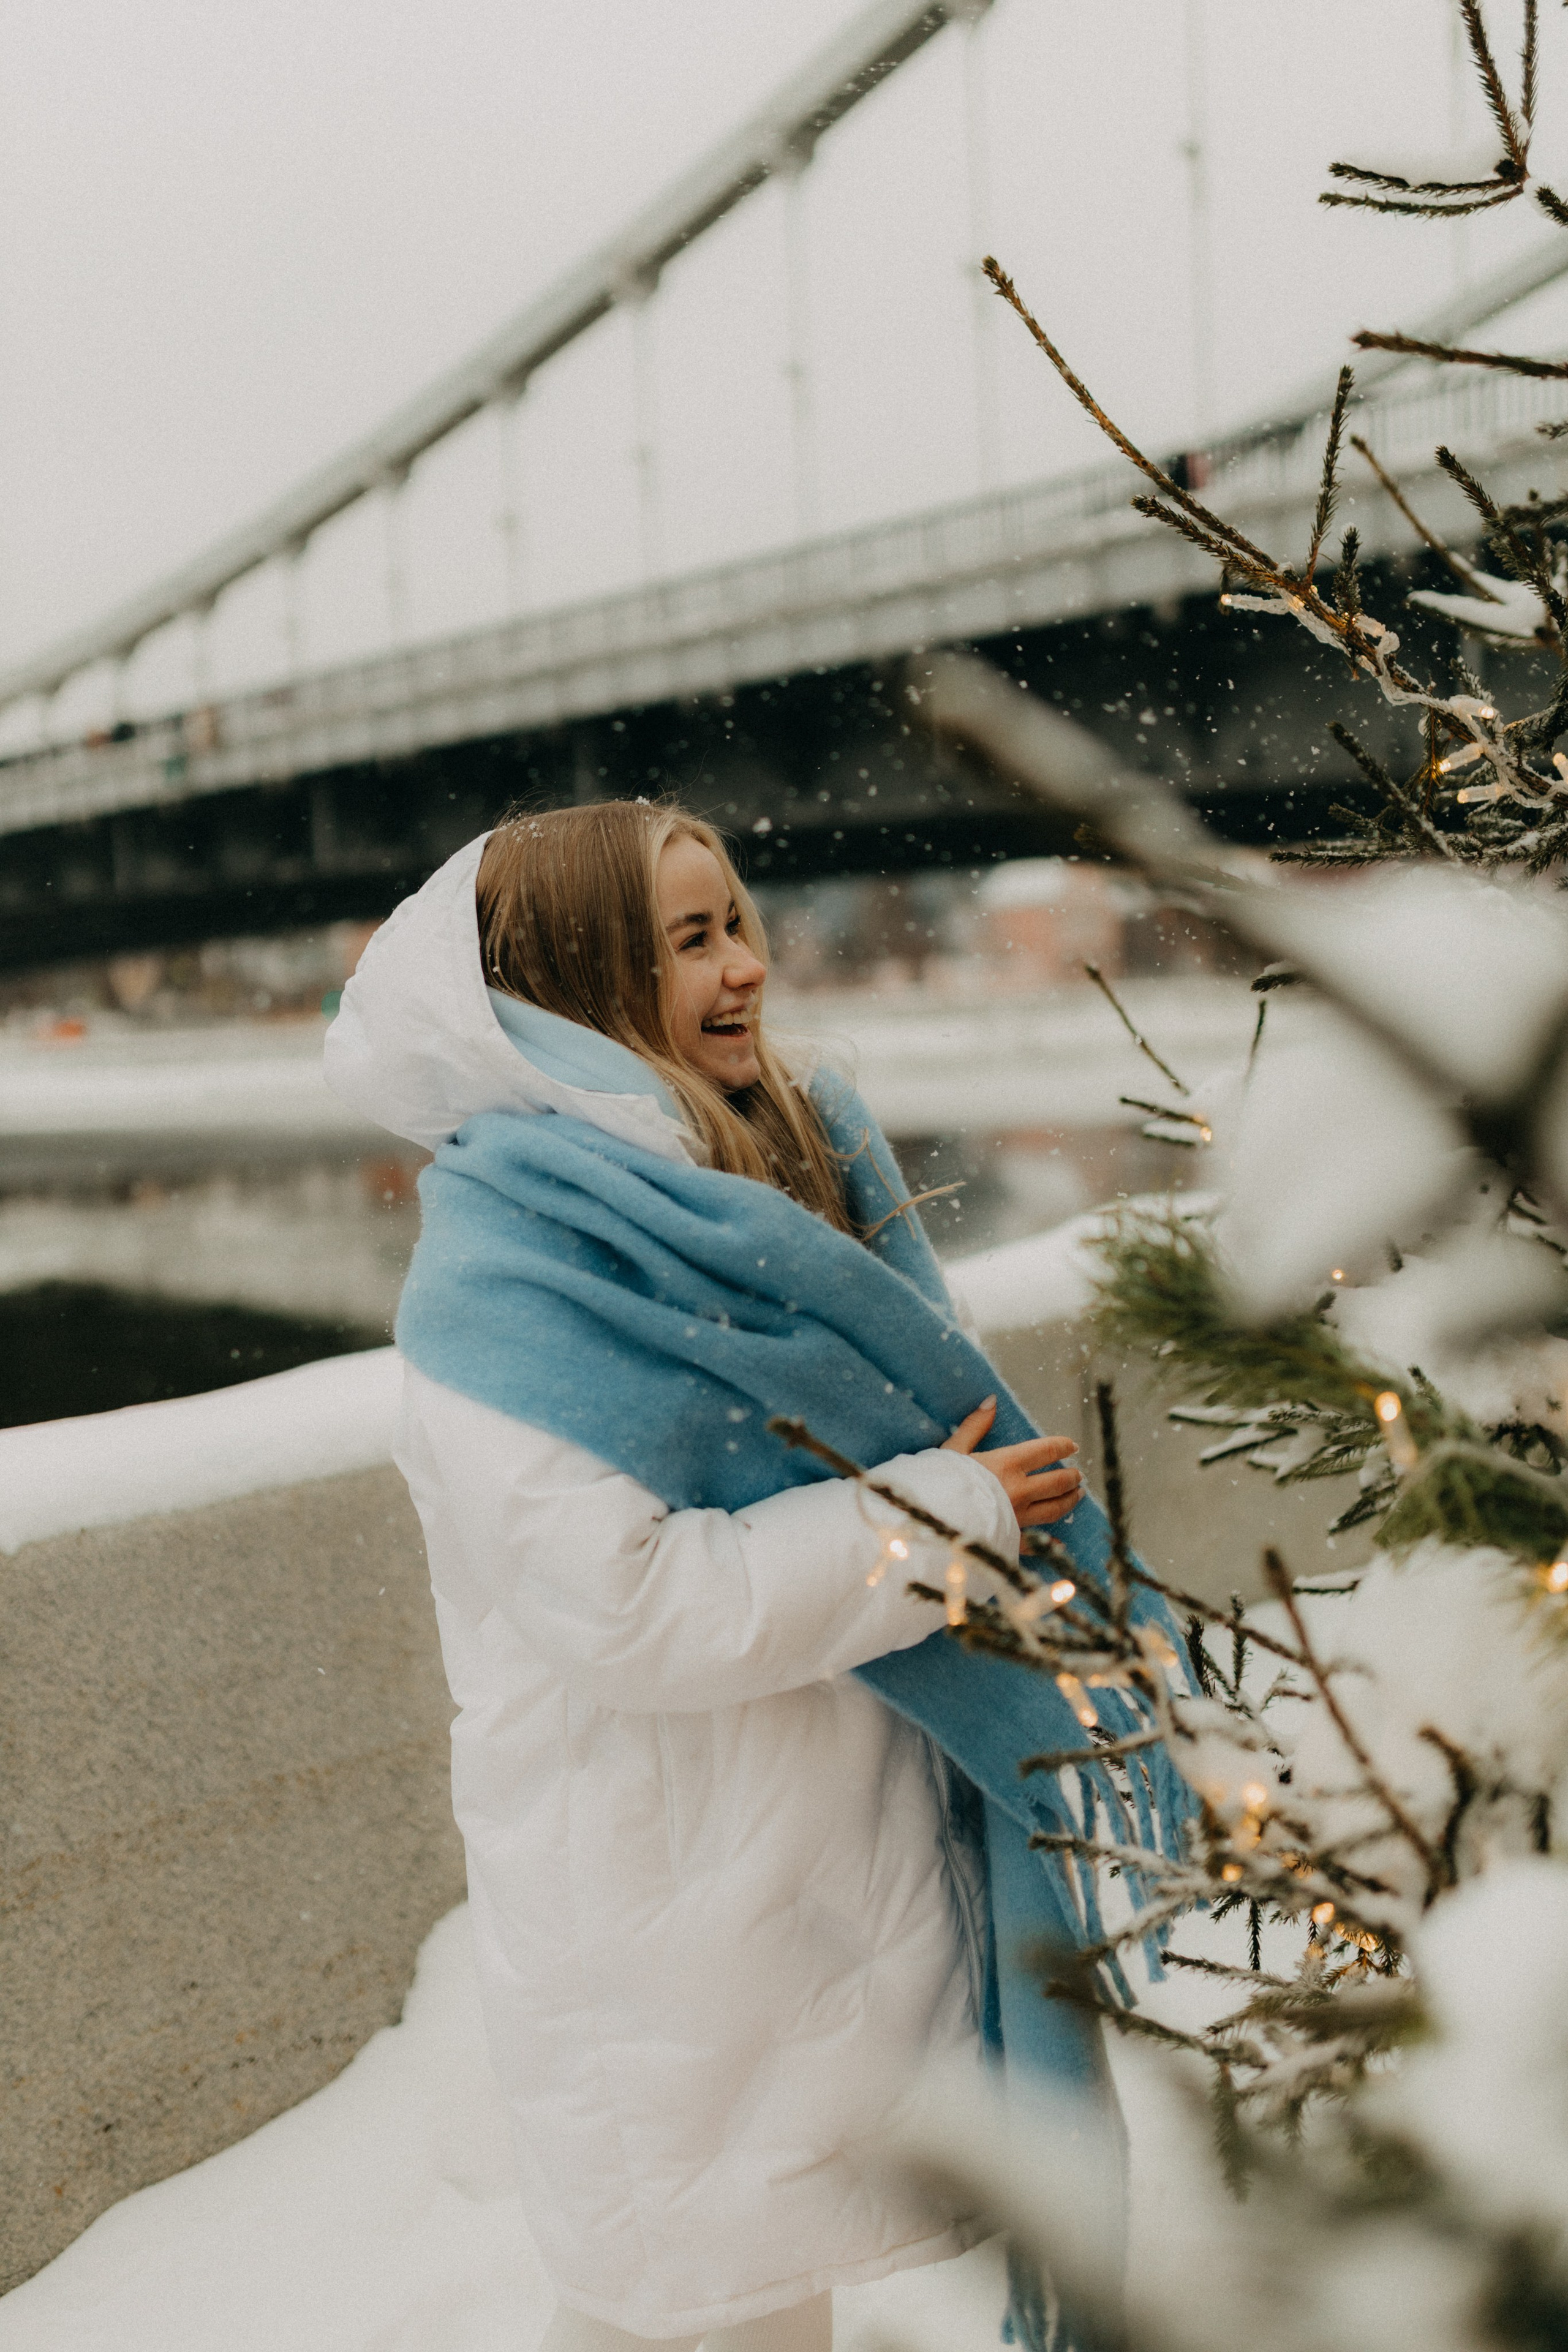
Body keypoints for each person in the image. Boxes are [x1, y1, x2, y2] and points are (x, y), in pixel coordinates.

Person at [323, 801, 1099, 2352]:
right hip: (662, 1933)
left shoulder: (754, 1191)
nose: (745, 966)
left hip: (788, 1897)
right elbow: (632, 1610)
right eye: (688, 941)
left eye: (738, 922)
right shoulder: (513, 1278)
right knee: (693, 2316)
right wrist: (941, 1522)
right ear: (577, 977)